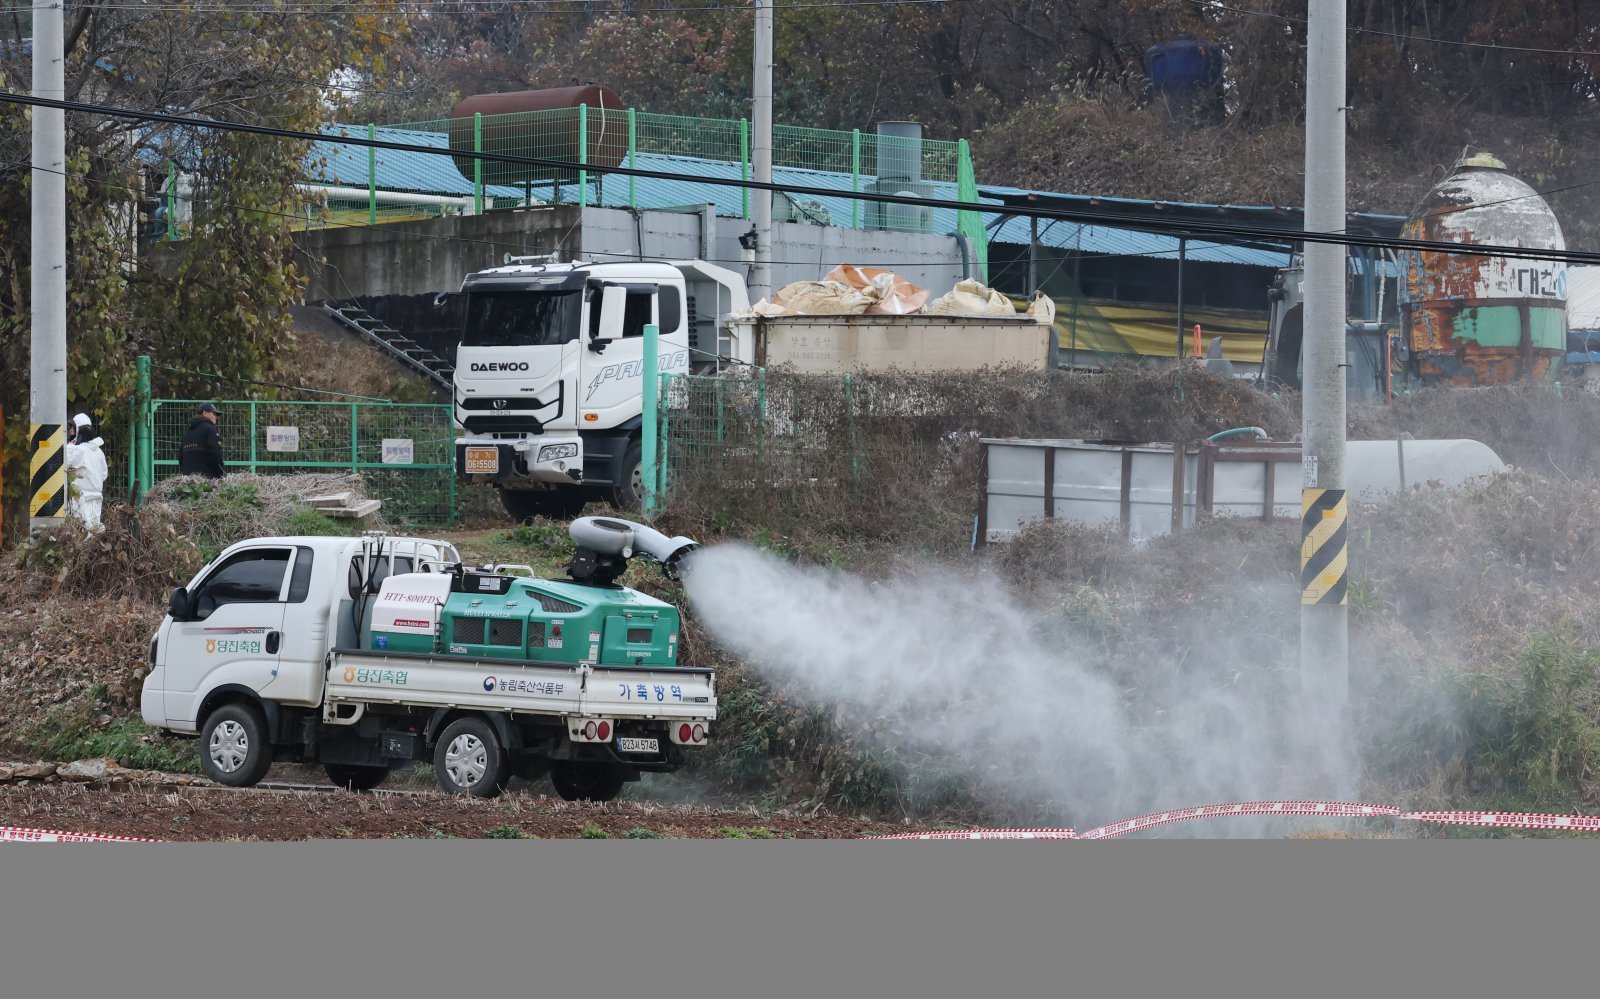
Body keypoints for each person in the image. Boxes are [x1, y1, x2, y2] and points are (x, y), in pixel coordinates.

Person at [64, 413, 108, 531]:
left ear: (79, 431)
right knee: (95, 530)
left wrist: (70, 446)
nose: (71, 432)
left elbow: (62, 464)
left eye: (73, 429)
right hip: (97, 497)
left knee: (81, 532)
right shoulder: (99, 452)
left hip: (81, 498)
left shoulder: (78, 450)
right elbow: (104, 475)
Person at [179, 402, 226, 479]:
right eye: (214, 414)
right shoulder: (210, 429)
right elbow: (215, 453)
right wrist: (220, 473)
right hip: (207, 479)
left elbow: (181, 457)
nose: (216, 417)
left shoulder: (187, 432)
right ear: (205, 413)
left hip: (188, 480)